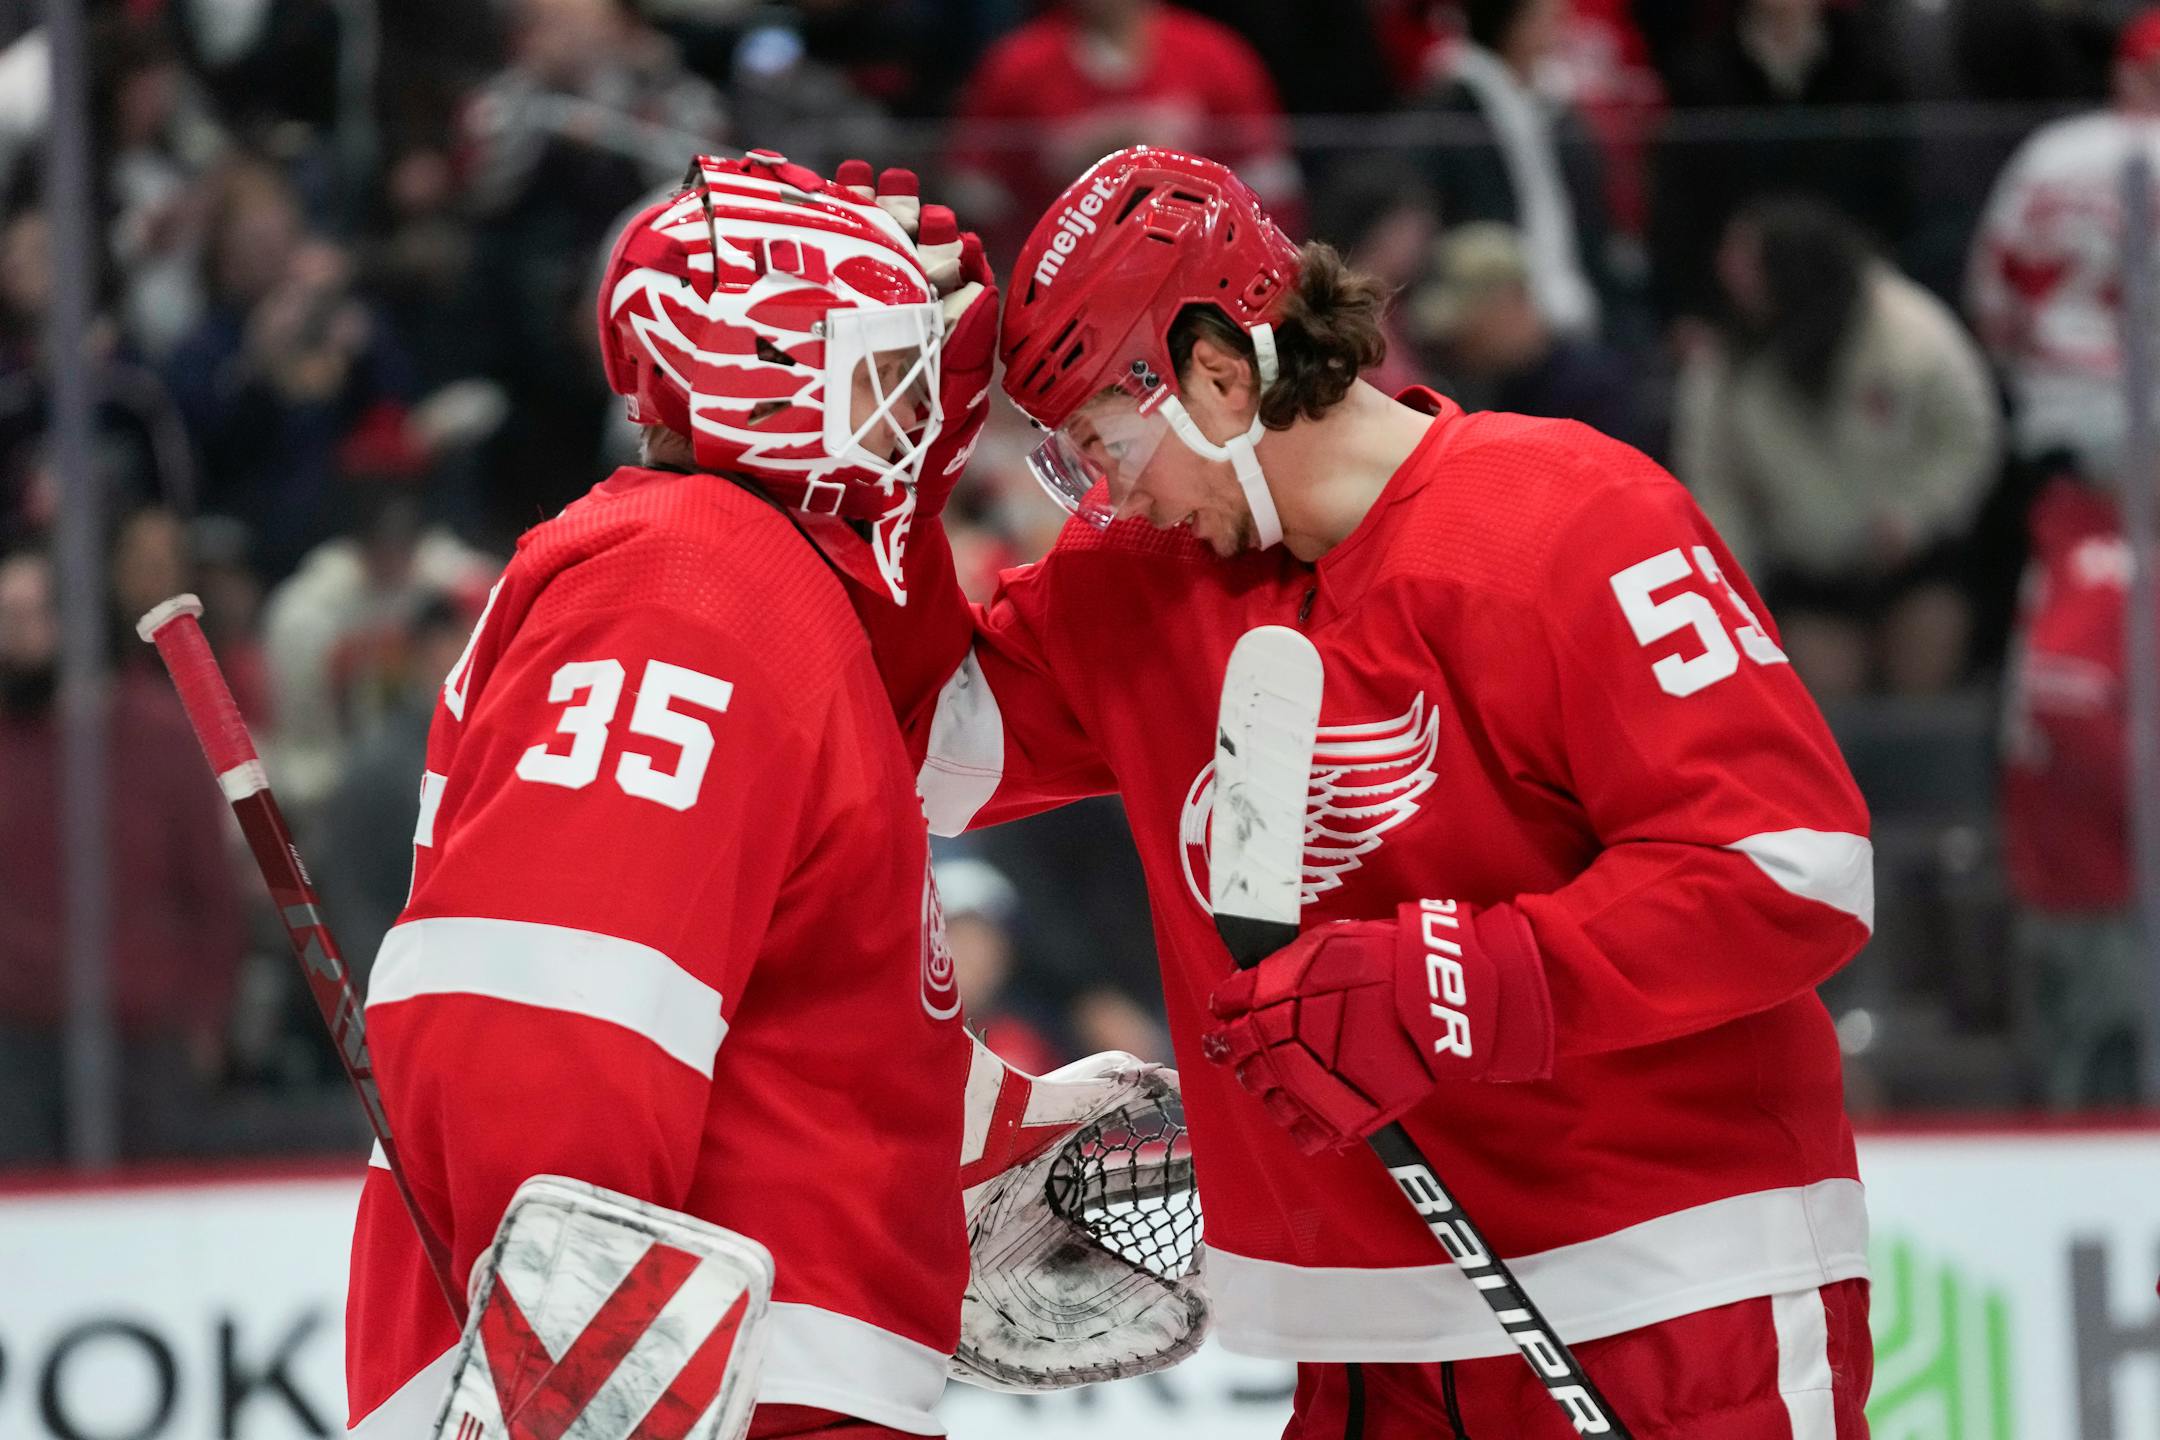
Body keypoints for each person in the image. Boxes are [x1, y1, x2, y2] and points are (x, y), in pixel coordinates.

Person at [856, 147, 1875, 1436]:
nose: (1099, 491)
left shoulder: (1570, 516)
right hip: (1365, 1346)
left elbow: (1792, 869)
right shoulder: (1139, 581)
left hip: (1667, 1297)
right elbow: (910, 746)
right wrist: (885, 469)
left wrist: (1455, 984)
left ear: (1218, 376)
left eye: (1097, 445)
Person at [343, 151, 996, 1438]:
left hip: (759, 1368)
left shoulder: (766, 592)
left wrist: (980, 1128)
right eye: (883, 360)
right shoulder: (691, 583)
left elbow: (789, 1007)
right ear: (767, 369)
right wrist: (570, 1378)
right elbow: (545, 1012)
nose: (918, 401)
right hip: (706, 1382)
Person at [1676, 196, 2001, 698]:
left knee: (1922, 677)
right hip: (1806, 573)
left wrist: (1915, 514)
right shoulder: (1726, 363)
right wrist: (1733, 600)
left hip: (1915, 559)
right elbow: (1716, 486)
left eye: (1750, 268)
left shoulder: (1908, 332)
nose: (1734, 282)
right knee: (1825, 702)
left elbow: (1969, 435)